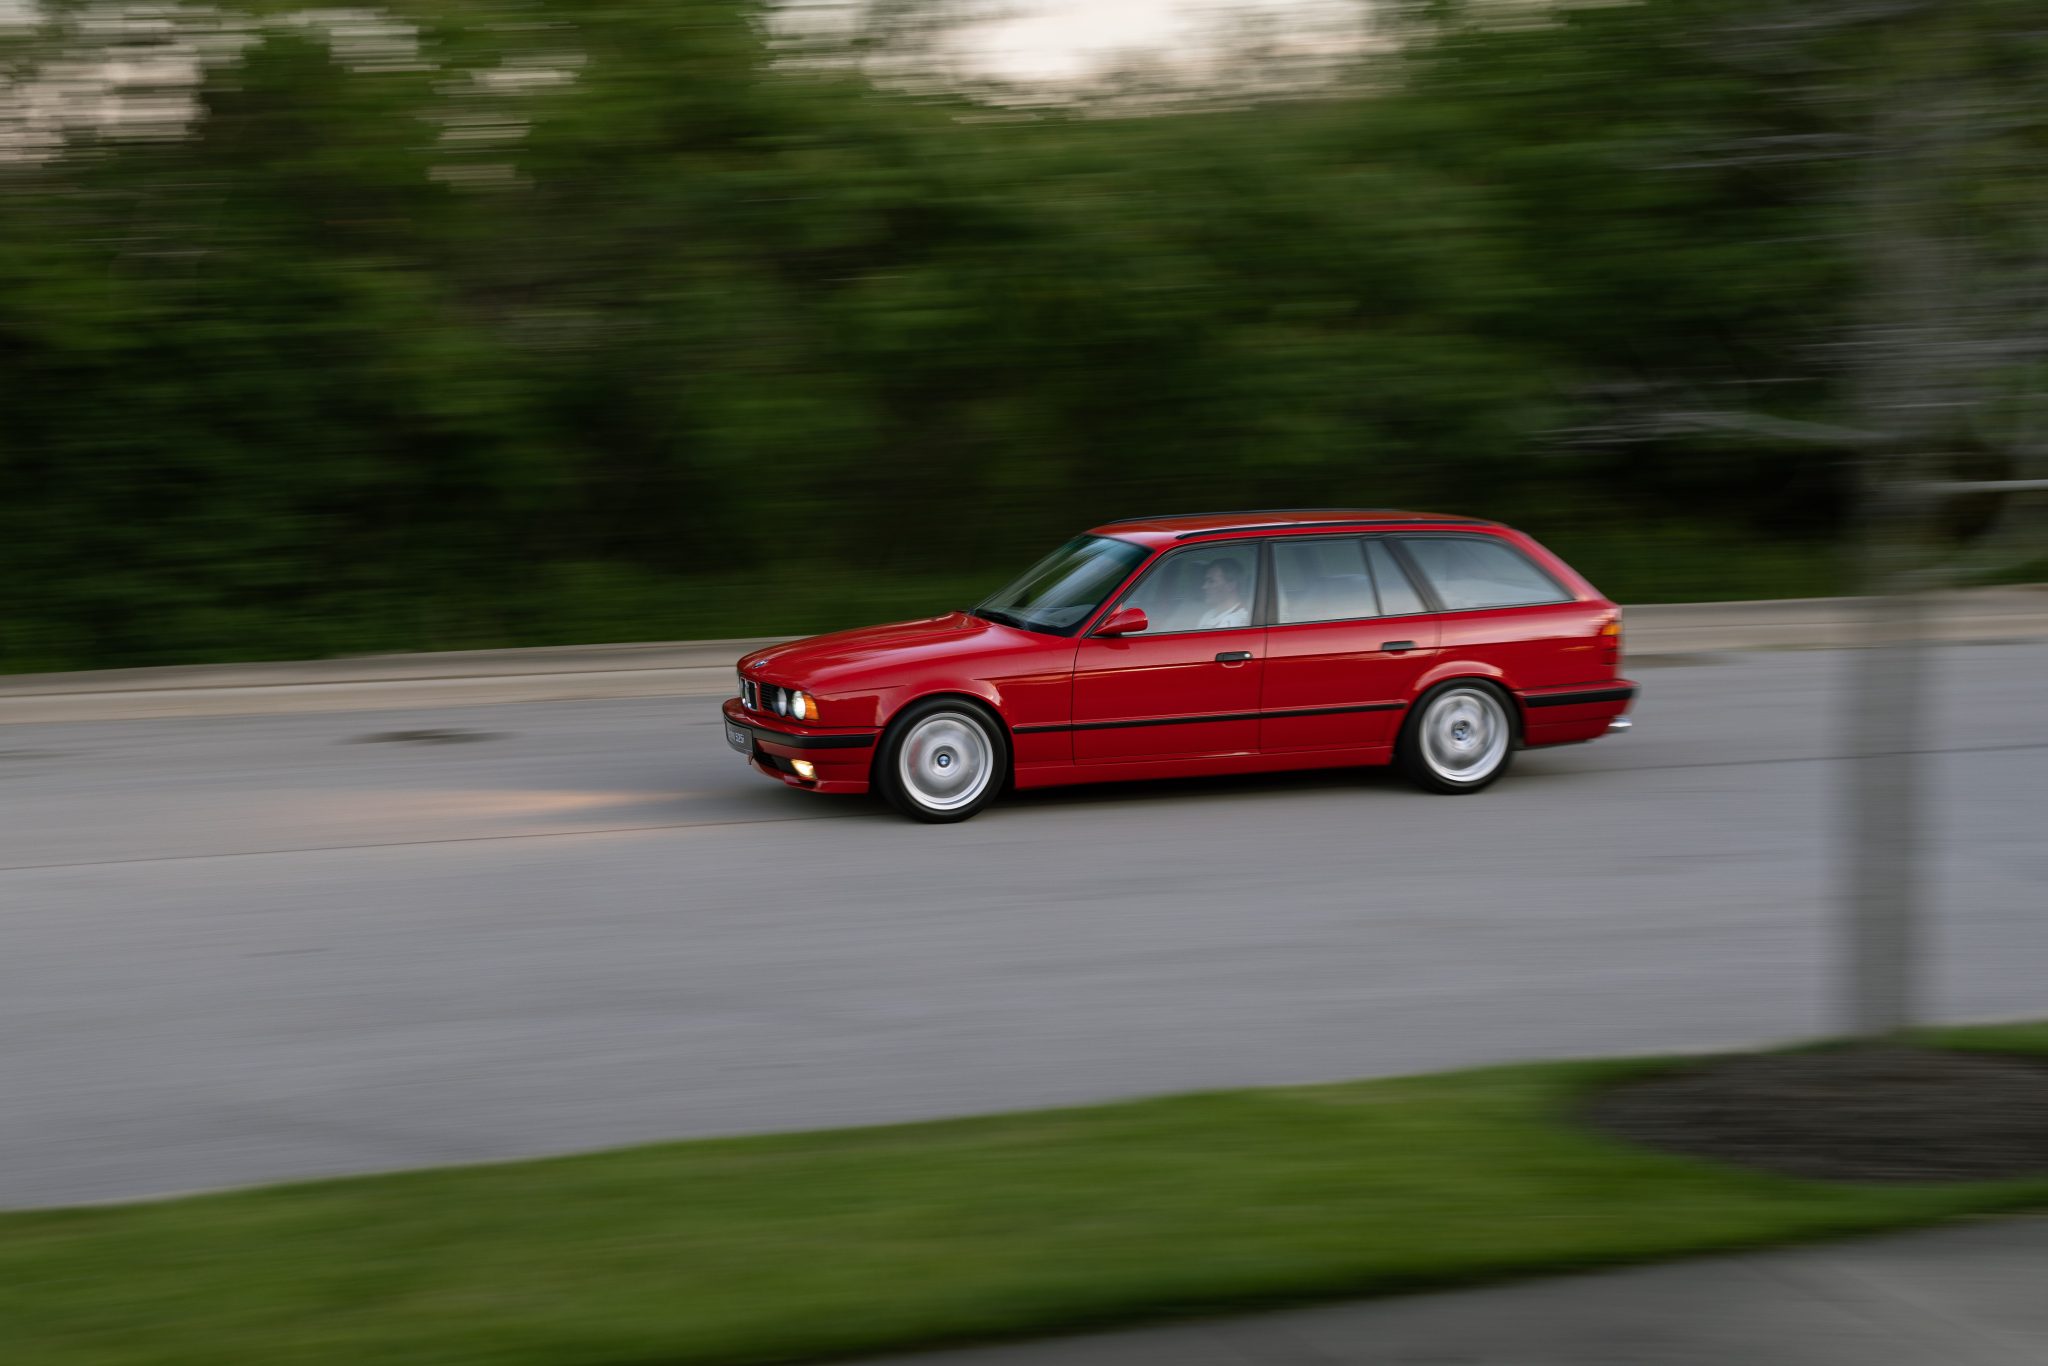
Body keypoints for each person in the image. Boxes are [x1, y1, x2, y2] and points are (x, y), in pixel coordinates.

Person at [1196, 558, 1250, 629]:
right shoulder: (1208, 615)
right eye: (1206, 581)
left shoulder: (1238, 621)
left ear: (1230, 585)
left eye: (1211, 581)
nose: (1204, 587)